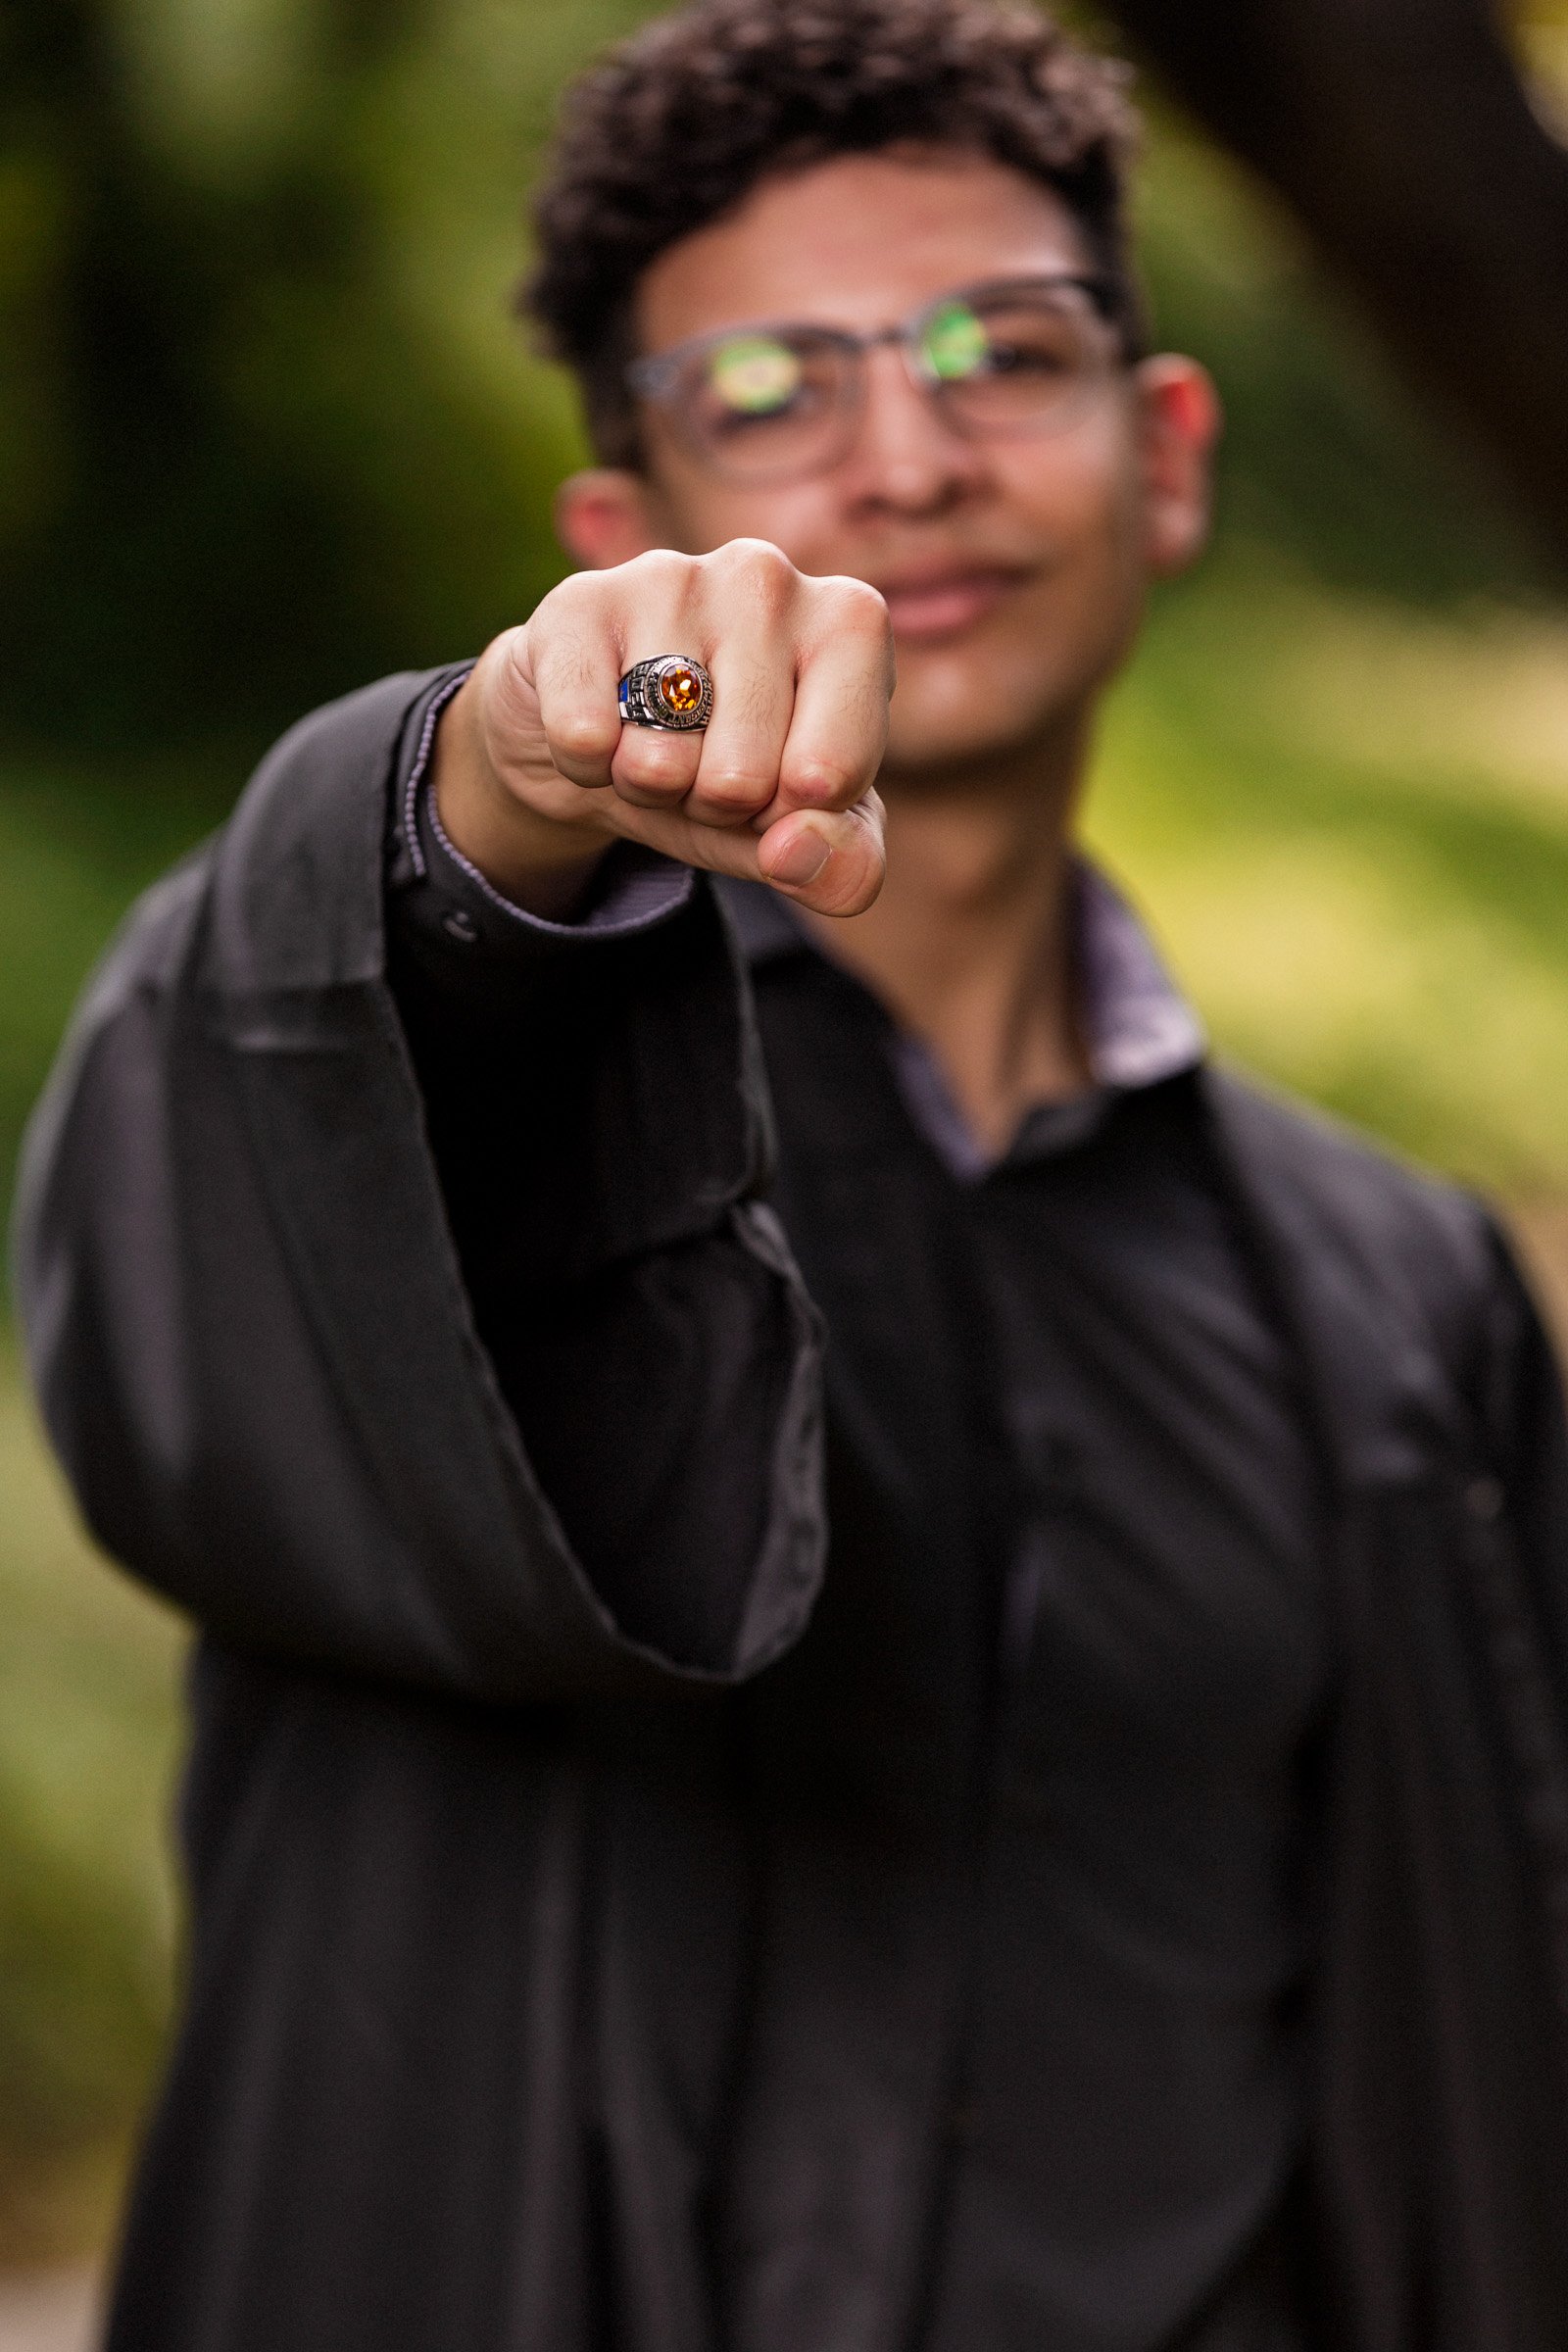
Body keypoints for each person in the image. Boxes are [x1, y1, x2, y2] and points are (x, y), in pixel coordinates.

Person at [16, 1, 1568, 2346]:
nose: (905, 460)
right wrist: (487, 793)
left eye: (1001, 353)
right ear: (620, 537)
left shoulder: (1399, 1295)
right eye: (767, 389)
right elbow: (283, 1096)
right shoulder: (473, 1094)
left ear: (1160, 456)